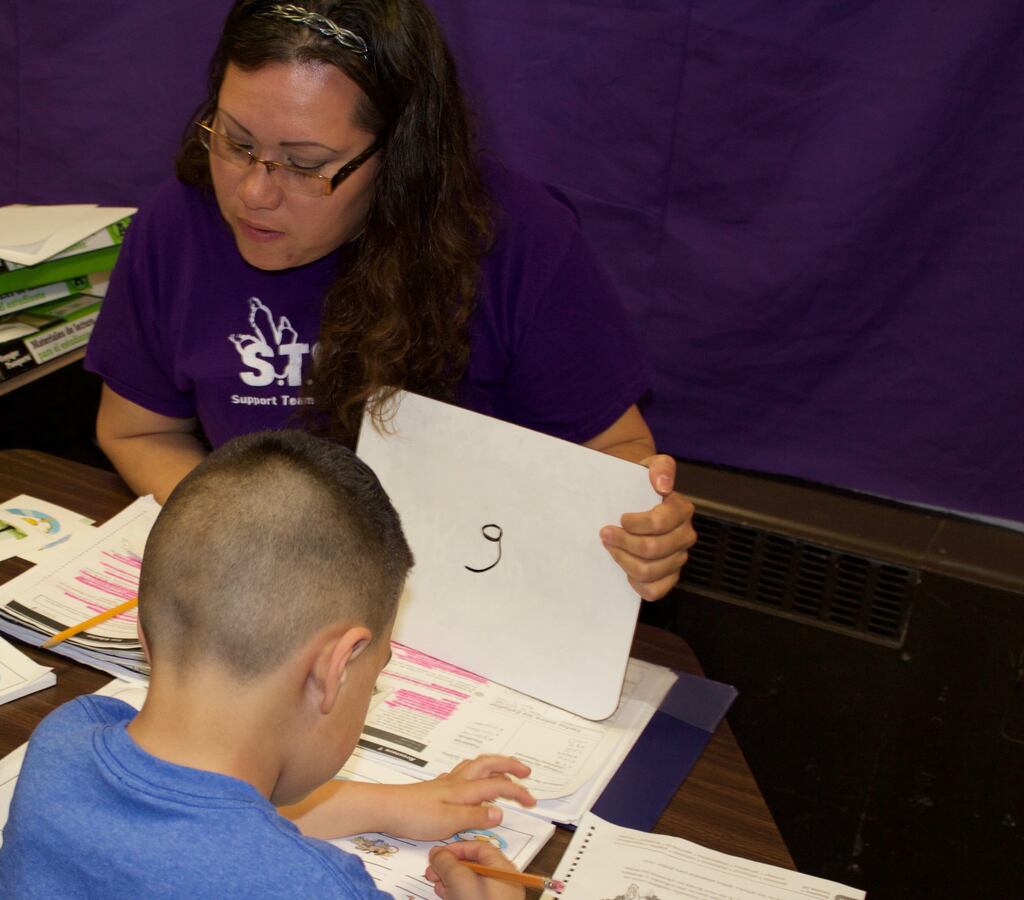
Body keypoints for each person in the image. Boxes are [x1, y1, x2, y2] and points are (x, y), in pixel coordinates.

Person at [88, 0, 695, 599]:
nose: (253, 193)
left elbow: (617, 454)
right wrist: (245, 534)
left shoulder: (517, 238)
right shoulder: (180, 222)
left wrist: (645, 528)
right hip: (267, 586)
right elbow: (139, 433)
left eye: (304, 164)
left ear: (399, 154)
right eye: (236, 142)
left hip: (467, 596)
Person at [0, 430, 537, 898]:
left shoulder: (61, 743)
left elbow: (199, 822)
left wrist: (385, 805)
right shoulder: (317, 887)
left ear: (143, 633)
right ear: (336, 669)